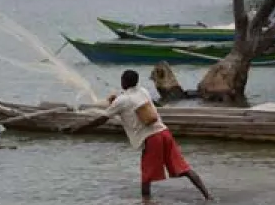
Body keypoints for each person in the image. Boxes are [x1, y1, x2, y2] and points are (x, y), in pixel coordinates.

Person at [63, 69, 212, 201]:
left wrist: (79, 128)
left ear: (124, 82)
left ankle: (146, 201)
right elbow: (130, 102)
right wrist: (116, 100)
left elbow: (102, 118)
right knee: (183, 168)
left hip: (152, 138)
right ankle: (208, 196)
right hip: (164, 132)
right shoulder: (143, 91)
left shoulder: (121, 100)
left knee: (146, 176)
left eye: (122, 79)